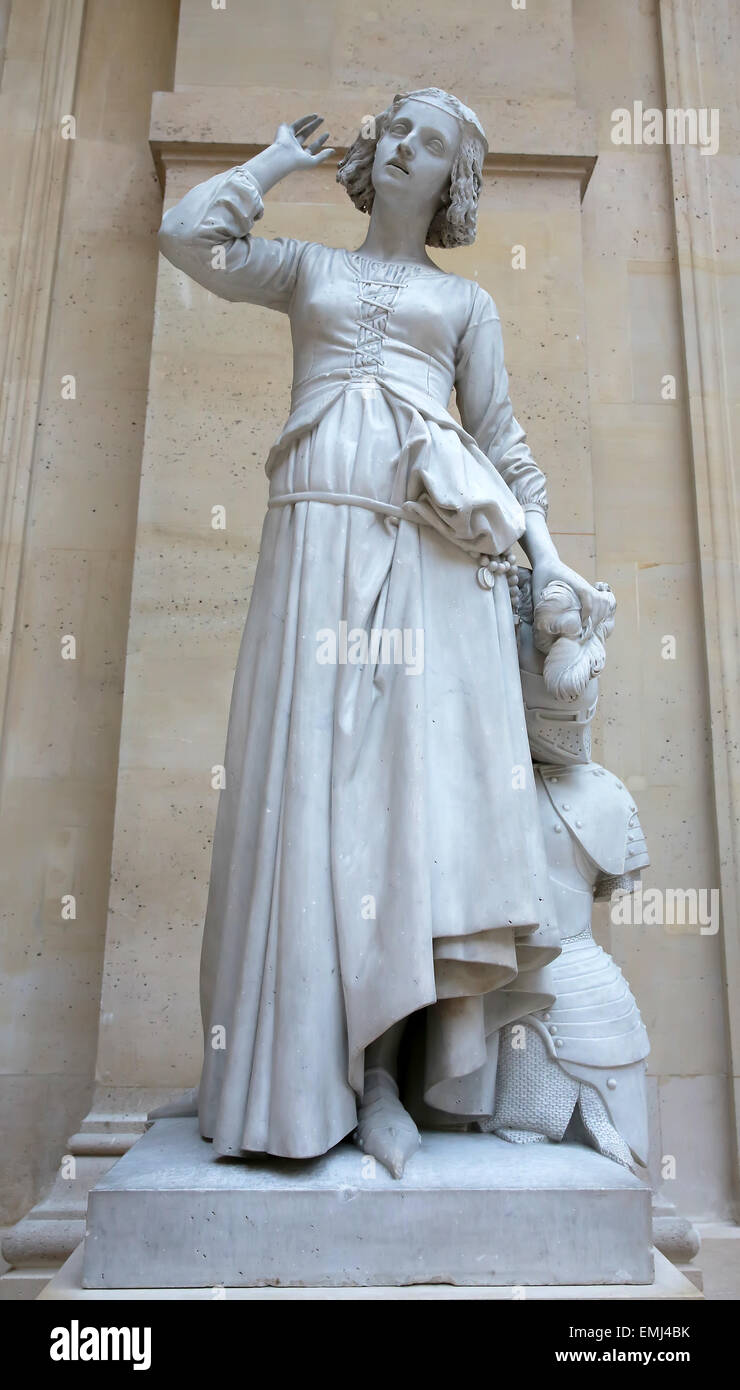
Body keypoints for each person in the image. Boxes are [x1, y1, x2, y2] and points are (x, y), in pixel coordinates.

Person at [157, 89, 612, 1178]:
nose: (404, 145)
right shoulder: (309, 269)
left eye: (432, 141)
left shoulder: (463, 309)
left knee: (404, 810)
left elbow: (502, 444)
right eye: (395, 128)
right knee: (305, 794)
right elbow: (191, 238)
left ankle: (382, 1079)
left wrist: (549, 559)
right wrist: (269, 160)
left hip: (427, 558)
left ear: (453, 178)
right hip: (313, 544)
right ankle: (300, 1072)